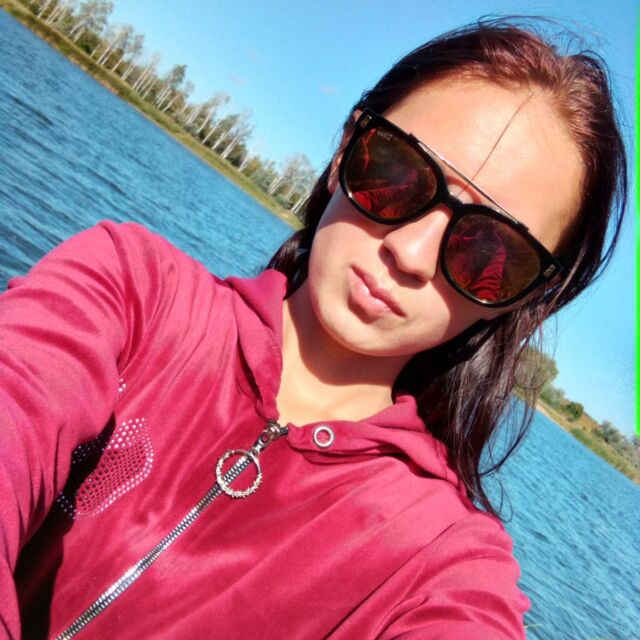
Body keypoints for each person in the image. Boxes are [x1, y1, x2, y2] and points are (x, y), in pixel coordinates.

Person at [0, 18, 627, 640]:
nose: (409, 254)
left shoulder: (437, 562)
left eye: (490, 249)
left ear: (519, 297)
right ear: (347, 149)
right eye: (399, 172)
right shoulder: (130, 291)